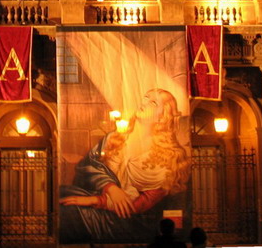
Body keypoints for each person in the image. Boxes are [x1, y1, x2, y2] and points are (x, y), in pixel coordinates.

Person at [59, 89, 190, 243]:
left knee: (69, 211)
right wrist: (111, 188)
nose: (144, 103)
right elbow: (88, 165)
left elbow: (142, 204)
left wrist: (96, 200)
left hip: (128, 217)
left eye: (153, 103)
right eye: (145, 97)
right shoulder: (114, 138)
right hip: (103, 200)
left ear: (162, 117)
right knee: (63, 193)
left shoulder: (171, 157)